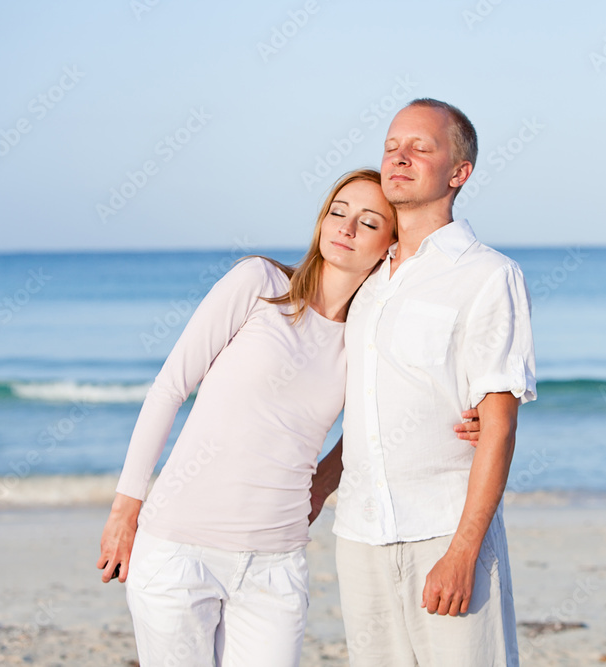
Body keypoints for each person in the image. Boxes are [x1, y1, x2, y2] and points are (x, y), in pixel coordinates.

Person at [96, 169, 404, 666]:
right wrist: (123, 511)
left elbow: (380, 426)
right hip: (178, 550)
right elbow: (170, 388)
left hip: (276, 565)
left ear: (390, 245)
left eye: (368, 223)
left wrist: (322, 486)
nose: (345, 229)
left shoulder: (367, 338)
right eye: (338, 212)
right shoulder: (259, 282)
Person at [310, 100, 537, 666]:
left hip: (444, 528)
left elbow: (500, 428)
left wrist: (464, 552)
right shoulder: (365, 280)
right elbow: (368, 411)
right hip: (359, 534)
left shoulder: (488, 275)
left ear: (458, 173)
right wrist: (319, 484)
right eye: (391, 146)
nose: (399, 157)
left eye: (421, 147)